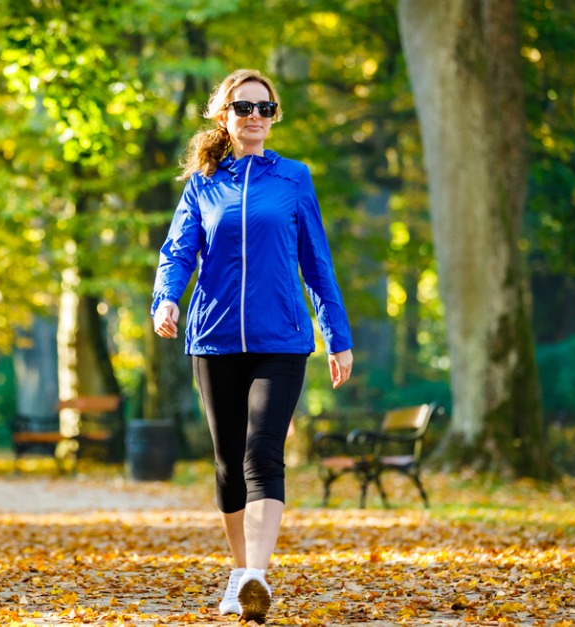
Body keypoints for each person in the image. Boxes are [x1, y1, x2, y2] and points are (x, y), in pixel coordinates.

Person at [151, 69, 354, 624]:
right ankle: (240, 573)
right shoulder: (203, 184)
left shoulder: (293, 178)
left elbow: (317, 262)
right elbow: (177, 253)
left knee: (263, 453)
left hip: (282, 339)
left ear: (274, 116)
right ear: (224, 116)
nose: (256, 117)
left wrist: (336, 336)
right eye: (244, 108)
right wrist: (166, 300)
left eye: (265, 109)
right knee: (228, 465)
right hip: (214, 339)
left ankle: (258, 576)